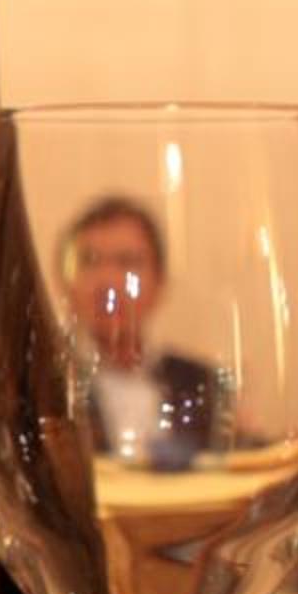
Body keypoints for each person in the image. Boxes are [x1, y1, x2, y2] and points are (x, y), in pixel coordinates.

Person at [60, 195, 225, 470]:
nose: (108, 281)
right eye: (89, 261)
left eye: (128, 262)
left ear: (160, 284)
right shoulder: (43, 387)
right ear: (66, 283)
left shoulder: (200, 381)